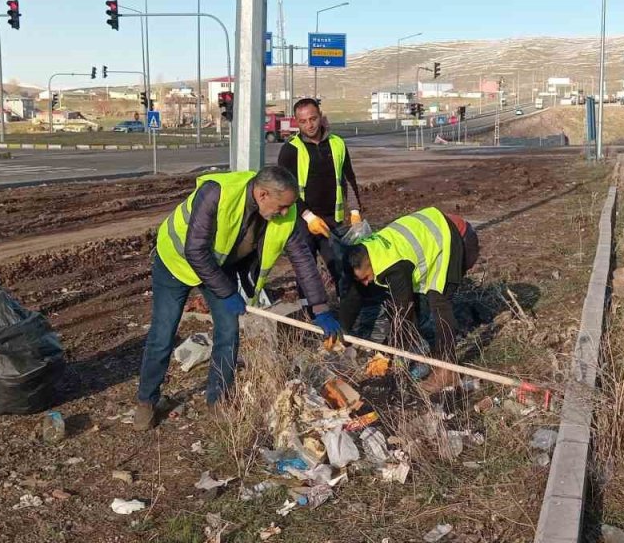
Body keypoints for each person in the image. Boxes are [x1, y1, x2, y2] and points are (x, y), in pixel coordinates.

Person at [134, 166, 342, 430]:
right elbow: (195, 250)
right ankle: (146, 402)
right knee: (163, 333)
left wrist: (320, 308)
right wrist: (228, 292)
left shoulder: (284, 213)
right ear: (263, 194)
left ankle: (218, 400)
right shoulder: (216, 193)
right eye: (281, 207)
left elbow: (302, 259)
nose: (285, 213)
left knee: (228, 332)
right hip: (176, 262)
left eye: (288, 207)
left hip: (219, 268)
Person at [338, 207, 479, 393]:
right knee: (414, 300)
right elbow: (354, 295)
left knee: (439, 302)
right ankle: (426, 353)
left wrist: (394, 354)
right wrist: (341, 331)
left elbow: (403, 310)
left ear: (370, 264)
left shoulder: (393, 267)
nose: (365, 283)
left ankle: (448, 370)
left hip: (449, 238)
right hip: (428, 229)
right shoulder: (363, 253)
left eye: (365, 277)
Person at [276, 98, 364, 292]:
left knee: (341, 268)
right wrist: (308, 216)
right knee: (306, 272)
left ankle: (344, 306)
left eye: (313, 119)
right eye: (303, 121)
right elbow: (285, 189)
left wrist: (355, 211)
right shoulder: (290, 150)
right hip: (302, 221)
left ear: (320, 116)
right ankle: (309, 308)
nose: (309, 125)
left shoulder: (337, 144)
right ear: (296, 122)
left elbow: (348, 178)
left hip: (332, 221)